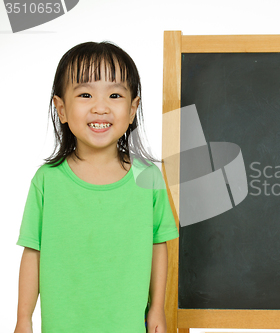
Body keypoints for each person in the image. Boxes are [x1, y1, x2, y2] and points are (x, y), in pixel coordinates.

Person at [13, 41, 179, 333]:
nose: (100, 107)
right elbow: (33, 253)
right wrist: (23, 319)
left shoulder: (148, 178)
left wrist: (156, 310)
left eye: (115, 95)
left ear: (132, 109)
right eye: (85, 94)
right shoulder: (47, 181)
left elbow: (158, 247)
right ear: (61, 108)